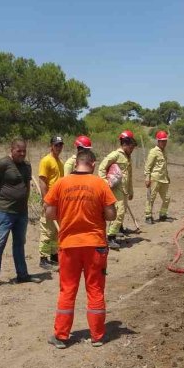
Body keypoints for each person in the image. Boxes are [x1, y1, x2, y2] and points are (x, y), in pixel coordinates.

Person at [43, 149, 117, 349]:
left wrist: (66, 213)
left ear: (76, 163)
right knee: (95, 289)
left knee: (67, 289)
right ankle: (97, 336)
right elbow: (111, 215)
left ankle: (61, 336)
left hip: (69, 246)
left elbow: (49, 213)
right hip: (95, 246)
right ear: (92, 164)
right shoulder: (100, 184)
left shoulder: (61, 183)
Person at [0, 139, 35, 290]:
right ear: (12, 149)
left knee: (19, 244)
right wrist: (2, 198)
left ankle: (22, 275)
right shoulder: (2, 164)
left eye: (24, 151)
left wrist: (24, 201)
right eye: (19, 151)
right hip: (5, 212)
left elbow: (26, 186)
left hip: (22, 213)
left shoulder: (27, 165)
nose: (22, 154)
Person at [98, 130, 136, 249]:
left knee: (122, 211)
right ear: (125, 143)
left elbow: (129, 176)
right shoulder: (115, 155)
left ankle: (114, 233)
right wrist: (104, 182)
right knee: (119, 212)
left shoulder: (127, 157)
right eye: (131, 147)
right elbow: (102, 167)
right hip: (116, 189)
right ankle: (110, 238)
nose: (132, 149)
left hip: (124, 190)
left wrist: (131, 191)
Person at [37, 136, 64, 269]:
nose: (58, 147)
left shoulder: (60, 162)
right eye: (56, 145)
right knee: (47, 230)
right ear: (51, 146)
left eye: (60, 145)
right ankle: (43, 258)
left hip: (59, 202)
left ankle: (54, 255)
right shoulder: (46, 160)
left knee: (55, 231)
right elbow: (42, 181)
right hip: (50, 201)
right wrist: (46, 199)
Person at [144, 130, 171, 224]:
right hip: (155, 178)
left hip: (164, 179)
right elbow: (148, 166)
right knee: (151, 198)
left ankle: (163, 215)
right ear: (158, 141)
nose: (164, 143)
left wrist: (167, 176)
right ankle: (148, 216)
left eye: (165, 141)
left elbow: (164, 166)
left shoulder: (164, 152)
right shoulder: (153, 152)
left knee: (167, 198)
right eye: (162, 141)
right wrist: (147, 178)